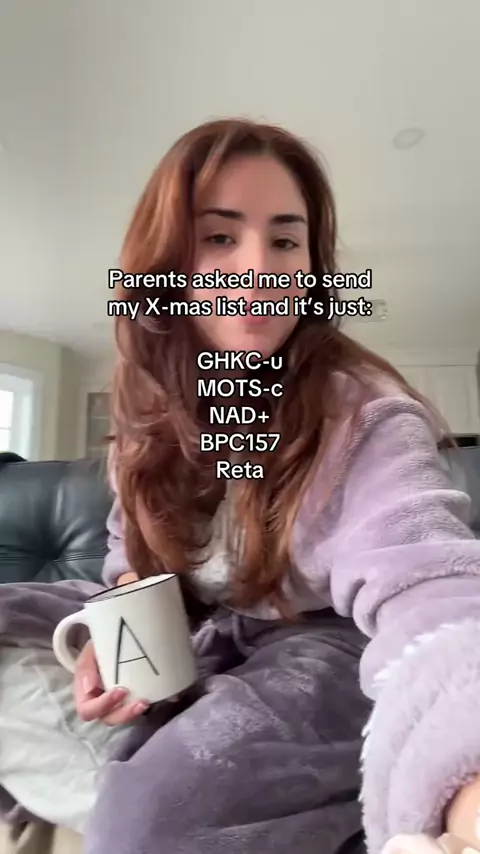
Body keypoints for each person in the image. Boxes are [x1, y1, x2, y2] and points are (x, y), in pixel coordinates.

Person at [1, 118, 480, 854]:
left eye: (286, 242)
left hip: (327, 650)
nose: (259, 269)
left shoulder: (365, 413)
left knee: (148, 819)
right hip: (205, 633)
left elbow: (429, 587)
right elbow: (131, 560)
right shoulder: (149, 421)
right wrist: (116, 637)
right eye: (220, 237)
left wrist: (464, 769)